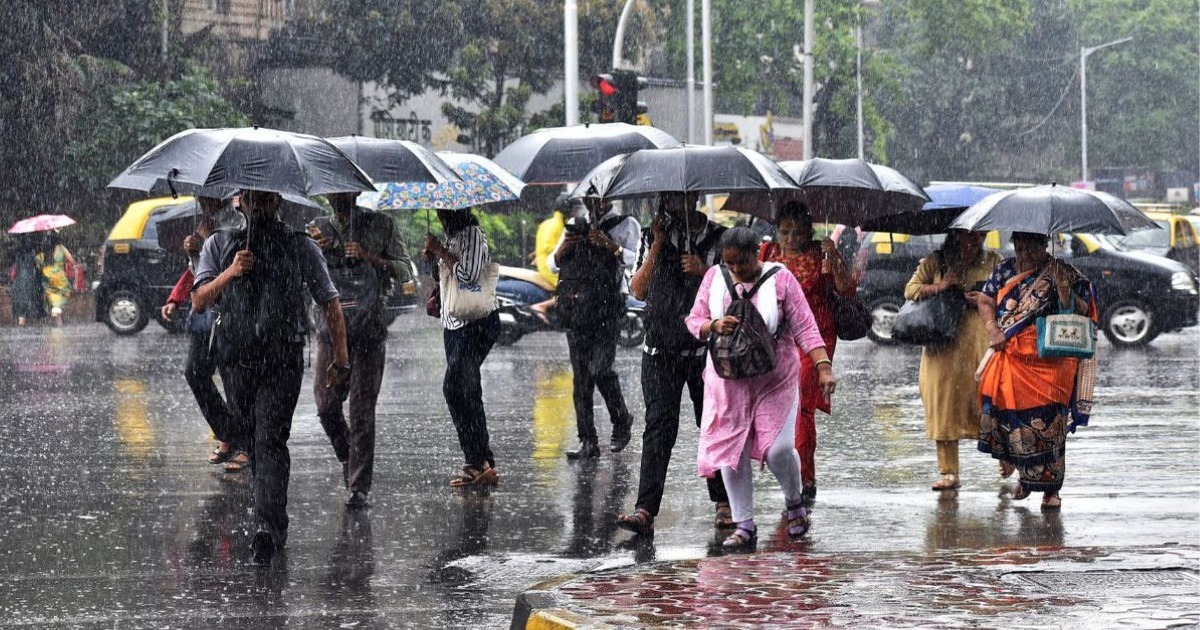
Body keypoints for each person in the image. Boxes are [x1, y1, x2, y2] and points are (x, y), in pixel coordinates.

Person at [191, 189, 349, 562]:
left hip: (282, 361)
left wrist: (341, 357)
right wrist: (232, 271)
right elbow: (199, 300)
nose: (258, 206)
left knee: (271, 439)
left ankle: (268, 525)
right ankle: (270, 517)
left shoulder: (300, 246)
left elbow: (329, 300)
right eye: (251, 199)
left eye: (265, 199)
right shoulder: (219, 244)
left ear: (277, 203)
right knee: (253, 441)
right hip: (237, 361)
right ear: (239, 203)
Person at [688, 227, 835, 549]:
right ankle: (744, 524)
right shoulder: (714, 278)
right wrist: (712, 325)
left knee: (778, 448)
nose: (736, 270)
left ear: (756, 253)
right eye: (729, 264)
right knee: (731, 452)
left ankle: (795, 501)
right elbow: (693, 318)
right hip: (727, 380)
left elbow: (806, 327)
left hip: (775, 377)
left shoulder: (781, 280)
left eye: (741, 262)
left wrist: (823, 367)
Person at [616, 192, 733, 536]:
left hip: (703, 352)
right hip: (659, 353)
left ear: (695, 195)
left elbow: (736, 288)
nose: (672, 203)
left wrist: (706, 270)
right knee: (658, 429)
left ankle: (724, 503)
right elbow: (637, 290)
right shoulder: (654, 235)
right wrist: (657, 244)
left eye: (679, 196)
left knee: (712, 425)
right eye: (667, 197)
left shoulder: (718, 237)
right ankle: (645, 510)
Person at [976, 231, 1098, 511]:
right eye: (1020, 246)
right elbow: (985, 301)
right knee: (1014, 421)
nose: (1025, 253)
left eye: (1031, 247)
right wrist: (993, 329)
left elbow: (1083, 310)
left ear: (1044, 245)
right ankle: (1025, 478)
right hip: (1012, 357)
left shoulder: (1064, 272)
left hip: (1051, 362)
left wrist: (1064, 290)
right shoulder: (1004, 270)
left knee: (1050, 425)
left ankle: (1050, 489)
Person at [311, 192, 412, 508]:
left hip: (369, 326)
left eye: (344, 193)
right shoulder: (316, 228)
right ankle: (347, 455)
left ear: (354, 192)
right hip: (330, 327)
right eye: (332, 193)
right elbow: (304, 273)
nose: (337, 198)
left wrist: (370, 256)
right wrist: (317, 251)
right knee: (327, 405)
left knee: (362, 409)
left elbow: (405, 270)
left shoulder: (380, 224)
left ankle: (358, 487)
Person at [758, 202, 853, 508]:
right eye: (784, 232)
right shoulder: (767, 254)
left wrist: (833, 258)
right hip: (776, 337)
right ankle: (785, 465)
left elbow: (846, 288)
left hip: (814, 337)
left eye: (797, 232)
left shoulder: (820, 252)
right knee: (777, 406)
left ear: (808, 231)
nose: (790, 238)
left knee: (802, 406)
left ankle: (805, 476)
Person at [903, 230, 1002, 490]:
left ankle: (1005, 456)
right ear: (956, 234)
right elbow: (910, 290)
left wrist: (983, 299)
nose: (975, 239)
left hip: (978, 343)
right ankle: (949, 472)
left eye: (980, 234)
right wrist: (940, 287)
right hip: (942, 346)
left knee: (989, 402)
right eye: (969, 234)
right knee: (943, 404)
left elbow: (1010, 295)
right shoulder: (936, 261)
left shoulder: (993, 261)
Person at [548, 198, 639, 459]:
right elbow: (553, 264)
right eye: (588, 197)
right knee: (581, 379)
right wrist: (565, 245)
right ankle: (588, 441)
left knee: (600, 368)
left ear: (609, 197)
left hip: (608, 307)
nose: (592, 201)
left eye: (597, 196)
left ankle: (621, 418)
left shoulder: (625, 224)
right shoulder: (577, 224)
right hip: (577, 307)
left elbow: (634, 260)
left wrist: (611, 246)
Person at [422, 208, 501, 488]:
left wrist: (441, 251)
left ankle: (475, 459)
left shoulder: (473, 236)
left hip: (476, 323)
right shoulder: (453, 238)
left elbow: (467, 275)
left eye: (443, 212)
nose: (440, 217)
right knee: (469, 390)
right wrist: (433, 258)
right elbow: (445, 278)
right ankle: (484, 461)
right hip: (453, 324)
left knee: (454, 388)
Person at [160, 196, 240, 466]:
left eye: (205, 194)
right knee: (195, 372)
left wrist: (205, 245)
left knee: (234, 380)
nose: (201, 199)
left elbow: (232, 265)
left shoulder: (238, 219)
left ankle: (244, 445)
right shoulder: (202, 223)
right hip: (205, 314)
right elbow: (196, 272)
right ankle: (228, 432)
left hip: (231, 313)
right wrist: (175, 298)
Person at [40, 232, 75, 326]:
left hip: (47, 274)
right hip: (59, 276)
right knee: (62, 293)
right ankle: (56, 310)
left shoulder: (44, 250)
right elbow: (71, 260)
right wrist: (62, 263)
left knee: (51, 295)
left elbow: (38, 262)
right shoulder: (61, 248)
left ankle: (58, 321)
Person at [10, 236, 44, 326]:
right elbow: (39, 267)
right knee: (31, 307)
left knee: (21, 311)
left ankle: (21, 328)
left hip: (18, 284)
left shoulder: (17, 254)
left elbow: (14, 267)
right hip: (30, 283)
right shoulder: (34, 254)